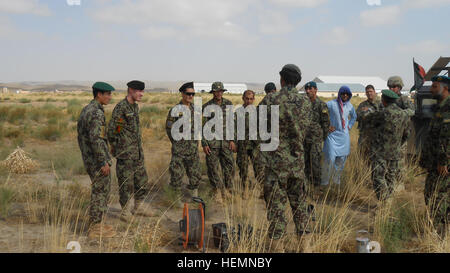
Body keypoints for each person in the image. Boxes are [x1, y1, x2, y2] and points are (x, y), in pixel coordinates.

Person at [259, 64, 312, 252]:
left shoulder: (271, 99)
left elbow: (260, 128)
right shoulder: (306, 102)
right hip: (297, 165)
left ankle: (276, 249)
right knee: (300, 208)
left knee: (276, 212)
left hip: (276, 167)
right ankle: (305, 248)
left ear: (281, 79)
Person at [107, 80, 152, 222]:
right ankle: (125, 211)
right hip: (125, 153)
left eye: (143, 91)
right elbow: (113, 131)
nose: (142, 94)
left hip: (137, 152)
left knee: (141, 180)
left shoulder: (134, 107)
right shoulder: (121, 108)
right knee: (126, 183)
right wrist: (118, 148)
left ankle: (138, 206)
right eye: (139, 91)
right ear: (131, 90)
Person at [77, 82, 116, 238]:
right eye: (107, 94)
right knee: (100, 192)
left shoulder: (87, 109)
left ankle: (98, 224)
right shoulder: (96, 113)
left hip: (89, 158)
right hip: (96, 161)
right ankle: (95, 227)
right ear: (99, 94)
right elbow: (96, 140)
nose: (110, 97)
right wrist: (103, 162)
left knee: (99, 191)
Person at [365, 90, 411, 200]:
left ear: (383, 101)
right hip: (395, 152)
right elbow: (407, 134)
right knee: (391, 177)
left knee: (378, 176)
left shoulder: (382, 113)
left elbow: (367, 120)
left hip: (380, 151)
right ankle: (389, 200)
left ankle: (384, 200)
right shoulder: (404, 114)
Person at [420, 75, 450, 236]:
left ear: (444, 88)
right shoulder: (439, 107)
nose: (431, 89)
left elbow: (447, 137)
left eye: (434, 86)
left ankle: (440, 235)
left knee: (436, 198)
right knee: (432, 195)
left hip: (442, 164)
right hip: (435, 163)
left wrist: (443, 161)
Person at [166, 82, 202, 205]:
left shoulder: (195, 110)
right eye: (188, 94)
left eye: (193, 94)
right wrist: (177, 143)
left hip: (192, 148)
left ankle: (194, 196)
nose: (190, 96)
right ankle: (175, 199)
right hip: (179, 149)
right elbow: (169, 128)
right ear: (182, 94)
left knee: (195, 173)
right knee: (177, 174)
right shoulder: (175, 110)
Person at [202, 82, 236, 194]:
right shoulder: (206, 107)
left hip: (226, 142)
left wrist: (232, 140)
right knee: (212, 167)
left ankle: (229, 189)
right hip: (212, 143)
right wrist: (204, 143)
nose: (219, 93)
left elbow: (232, 123)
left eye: (221, 91)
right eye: (216, 91)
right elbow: (203, 126)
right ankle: (217, 189)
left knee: (229, 165)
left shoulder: (229, 104)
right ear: (213, 92)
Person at [321, 86, 357, 186]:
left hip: (344, 137)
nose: (344, 95)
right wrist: (326, 125)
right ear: (339, 94)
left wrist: (349, 126)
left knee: (341, 160)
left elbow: (354, 116)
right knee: (330, 158)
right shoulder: (331, 104)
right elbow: (321, 111)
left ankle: (336, 181)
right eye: (342, 93)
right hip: (332, 136)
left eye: (347, 94)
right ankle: (325, 182)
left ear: (349, 95)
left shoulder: (349, 106)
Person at [235, 90, 264, 189]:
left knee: (259, 168)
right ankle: (245, 188)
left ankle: (262, 189)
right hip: (242, 145)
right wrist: (233, 142)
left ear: (254, 99)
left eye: (251, 99)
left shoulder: (258, 112)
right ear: (243, 98)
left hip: (255, 145)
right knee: (243, 168)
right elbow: (233, 128)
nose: (249, 101)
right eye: (247, 98)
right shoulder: (238, 112)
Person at [304, 81, 330, 187]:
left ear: (316, 90)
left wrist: (322, 138)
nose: (308, 91)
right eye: (306, 89)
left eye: (310, 89)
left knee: (315, 164)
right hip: (304, 139)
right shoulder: (303, 104)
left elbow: (326, 123)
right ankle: (305, 186)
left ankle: (317, 187)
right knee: (305, 163)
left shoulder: (321, 104)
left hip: (316, 139)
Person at [356, 85, 381, 158]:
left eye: (371, 91)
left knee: (376, 157)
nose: (369, 93)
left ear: (374, 92)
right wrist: (364, 113)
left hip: (377, 135)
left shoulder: (381, 104)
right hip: (364, 135)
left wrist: (370, 112)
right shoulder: (362, 105)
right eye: (367, 92)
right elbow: (356, 117)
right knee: (362, 155)